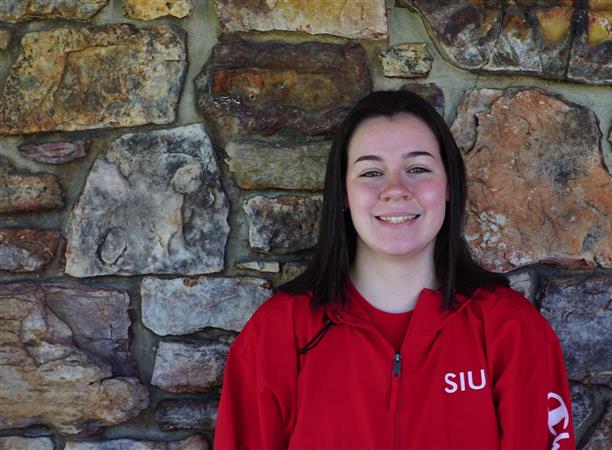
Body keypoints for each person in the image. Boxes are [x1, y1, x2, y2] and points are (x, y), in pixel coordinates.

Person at [215, 90, 576, 450]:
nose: (395, 190)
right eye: (371, 172)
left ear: (449, 185)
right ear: (344, 193)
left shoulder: (511, 332)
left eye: (417, 169)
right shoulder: (277, 335)